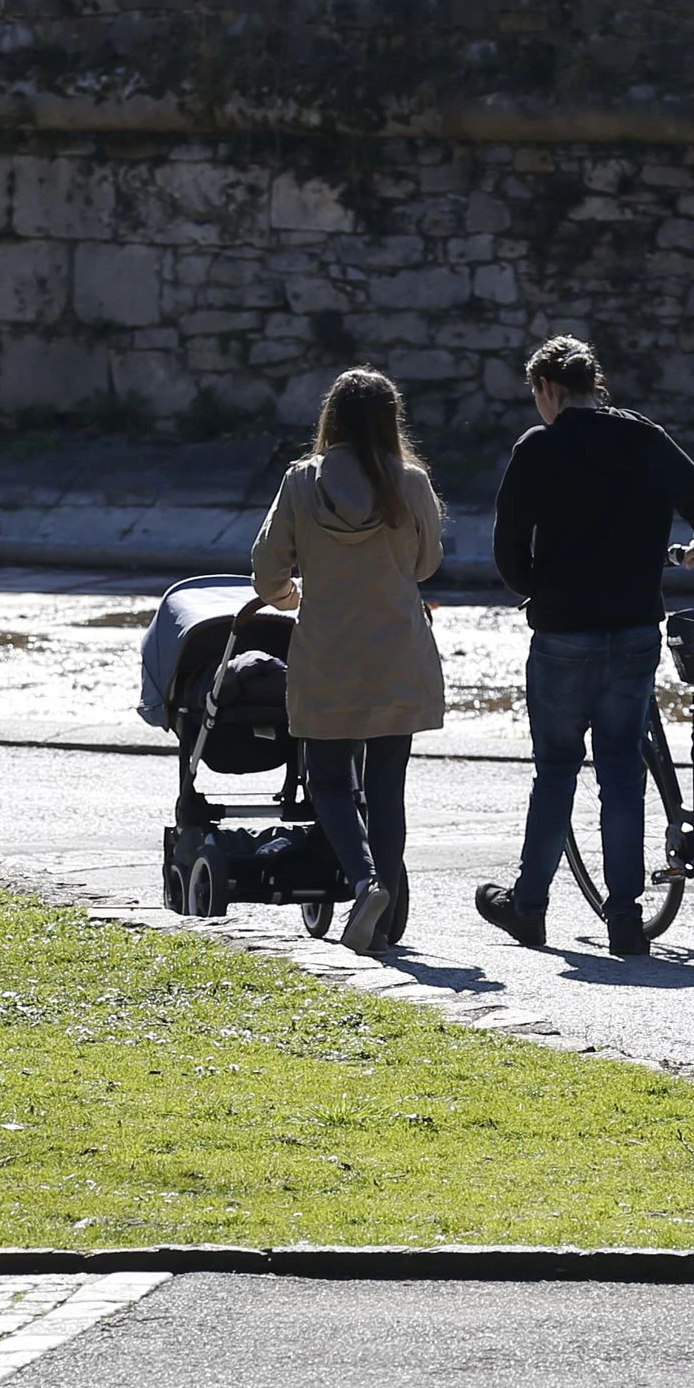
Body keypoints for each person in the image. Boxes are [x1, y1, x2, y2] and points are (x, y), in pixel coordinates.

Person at [475, 334, 694, 957]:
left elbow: (508, 550)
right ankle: (624, 919)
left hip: (563, 633)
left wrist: (539, 589)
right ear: (593, 384)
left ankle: (529, 907)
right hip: (636, 630)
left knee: (556, 771)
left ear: (546, 390)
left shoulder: (539, 448)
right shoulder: (645, 436)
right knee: (621, 772)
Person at [249, 365, 447, 953]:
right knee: (387, 789)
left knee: (329, 780)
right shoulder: (411, 483)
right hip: (397, 655)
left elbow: (267, 573)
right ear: (391, 421)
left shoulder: (302, 483)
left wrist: (292, 598)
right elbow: (426, 565)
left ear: (329, 419)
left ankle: (364, 884)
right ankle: (386, 916)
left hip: (328, 655)